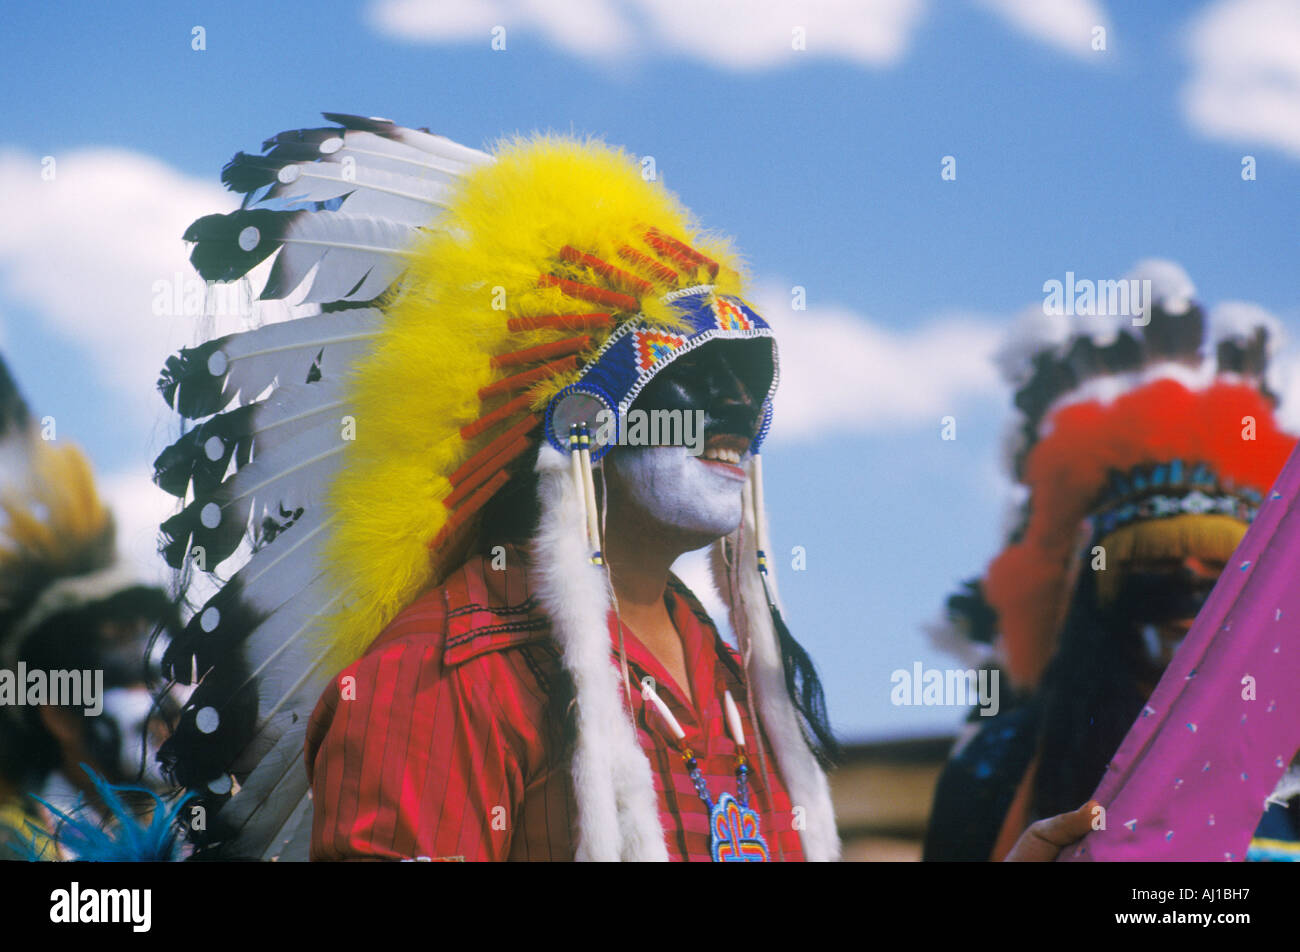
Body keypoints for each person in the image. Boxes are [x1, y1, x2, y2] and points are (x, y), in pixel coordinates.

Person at [923, 266, 1300, 861]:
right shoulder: (999, 762)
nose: (1188, 587)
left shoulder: (1286, 764)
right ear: (1096, 598)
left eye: (1217, 573)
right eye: (1155, 567)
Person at [0, 356, 181, 860]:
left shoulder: (240, 816)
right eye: (123, 673)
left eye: (162, 668)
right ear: (54, 710)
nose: (157, 698)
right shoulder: (16, 843)